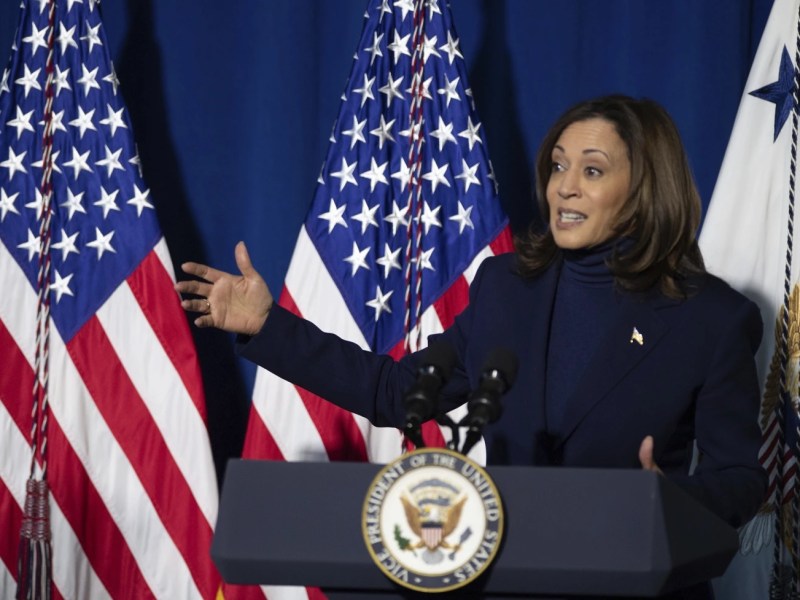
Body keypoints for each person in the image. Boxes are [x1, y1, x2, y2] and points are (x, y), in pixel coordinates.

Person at [176, 95, 766, 596]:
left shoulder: (710, 319)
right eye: (557, 165)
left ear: (643, 187)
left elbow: (740, 477)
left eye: (591, 170)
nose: (563, 186)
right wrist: (267, 326)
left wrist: (673, 502)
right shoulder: (508, 288)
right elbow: (398, 391)